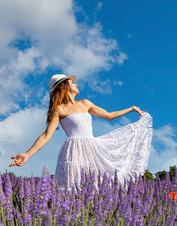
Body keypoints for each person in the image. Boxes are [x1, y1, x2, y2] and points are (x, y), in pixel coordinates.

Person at [9, 74, 153, 189]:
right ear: (64, 86)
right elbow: (47, 135)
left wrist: (131, 109)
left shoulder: (85, 103)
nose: (76, 84)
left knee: (97, 187)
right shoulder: (59, 109)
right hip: (73, 152)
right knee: (73, 188)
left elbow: (109, 116)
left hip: (92, 150)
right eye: (72, 82)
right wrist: (27, 154)